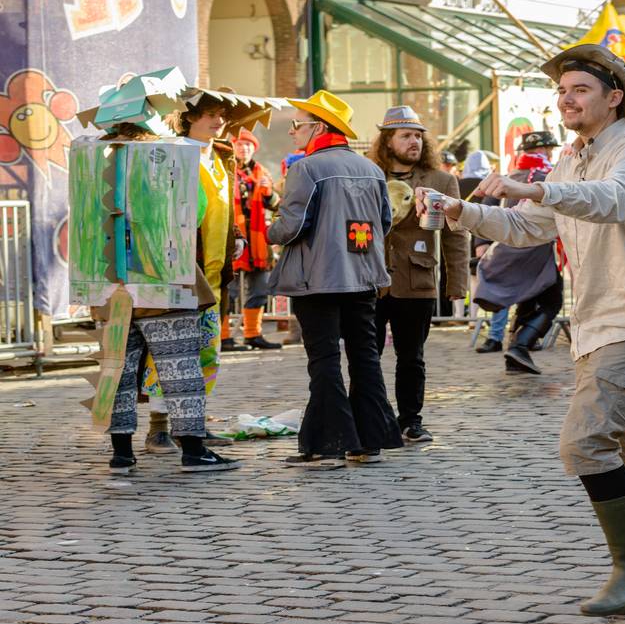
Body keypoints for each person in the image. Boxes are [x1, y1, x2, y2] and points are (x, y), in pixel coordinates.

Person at [429, 45, 625, 617]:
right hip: (596, 321)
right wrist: (463, 213)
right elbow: (530, 228)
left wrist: (538, 189)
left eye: (580, 90)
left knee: (584, 443)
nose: (567, 99)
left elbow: (616, 200)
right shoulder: (571, 159)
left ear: (613, 97)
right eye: (562, 91)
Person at [81, 74, 242, 474]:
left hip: (109, 280)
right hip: (163, 278)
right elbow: (197, 209)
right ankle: (192, 450)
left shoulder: (93, 155)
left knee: (118, 367)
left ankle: (121, 453)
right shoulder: (166, 154)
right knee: (180, 365)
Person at [268, 91, 404, 468]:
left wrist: (269, 232)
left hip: (319, 279)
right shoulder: (372, 169)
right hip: (363, 278)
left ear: (319, 128)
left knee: (324, 359)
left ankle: (327, 444)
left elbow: (293, 226)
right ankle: (369, 440)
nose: (294, 132)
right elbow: (385, 223)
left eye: (298, 125)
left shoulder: (306, 168)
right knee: (365, 358)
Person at [368, 106, 470, 443]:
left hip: (417, 279)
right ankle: (372, 419)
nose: (414, 142)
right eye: (406, 136)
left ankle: (410, 420)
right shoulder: (368, 175)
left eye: (418, 136)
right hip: (371, 279)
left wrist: (456, 283)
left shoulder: (441, 180)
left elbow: (456, 234)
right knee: (366, 356)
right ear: (388, 141)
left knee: (412, 357)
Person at [472, 130, 564, 369]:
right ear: (543, 150)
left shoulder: (509, 175)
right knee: (552, 299)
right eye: (550, 149)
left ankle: (516, 351)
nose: (551, 152)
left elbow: (486, 209)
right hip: (534, 249)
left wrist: (481, 245)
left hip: (507, 247)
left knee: (528, 297)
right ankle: (521, 344)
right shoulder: (546, 176)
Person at [224, 128, 282, 351]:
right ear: (233, 147)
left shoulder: (262, 173)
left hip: (258, 242)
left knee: (259, 289)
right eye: (240, 144)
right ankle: (224, 338)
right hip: (232, 239)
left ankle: (252, 334)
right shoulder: (226, 170)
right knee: (229, 292)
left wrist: (269, 194)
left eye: (248, 145)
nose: (244, 148)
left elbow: (277, 204)